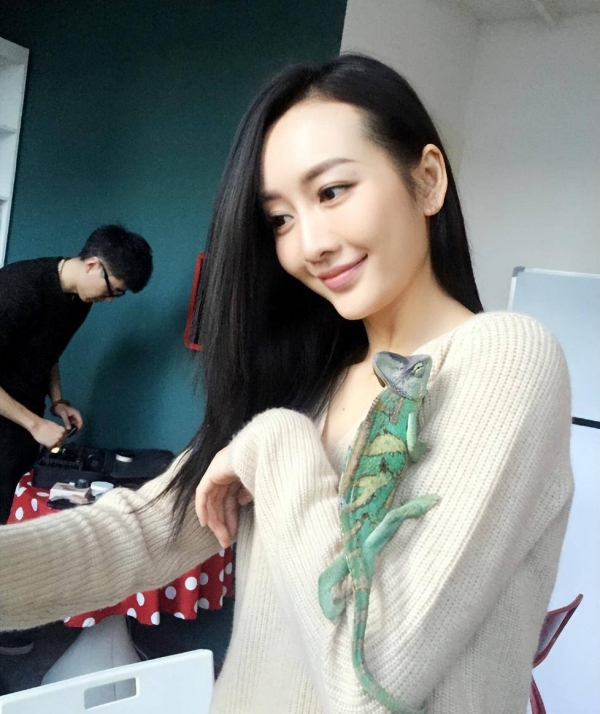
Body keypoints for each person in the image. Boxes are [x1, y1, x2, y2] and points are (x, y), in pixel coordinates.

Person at [0, 55, 572, 713]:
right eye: (279, 219)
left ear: (427, 180)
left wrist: (272, 442)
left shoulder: (503, 359)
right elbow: (150, 528)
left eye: (332, 191)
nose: (310, 245)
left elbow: (374, 678)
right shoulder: (310, 381)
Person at [0, 224, 152, 655]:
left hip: (21, 417)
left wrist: (57, 400)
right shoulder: (18, 289)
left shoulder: (78, 301)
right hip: (11, 415)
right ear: (92, 265)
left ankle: (6, 623)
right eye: (113, 289)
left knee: (9, 516)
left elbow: (49, 351)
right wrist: (34, 424)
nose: (111, 299)